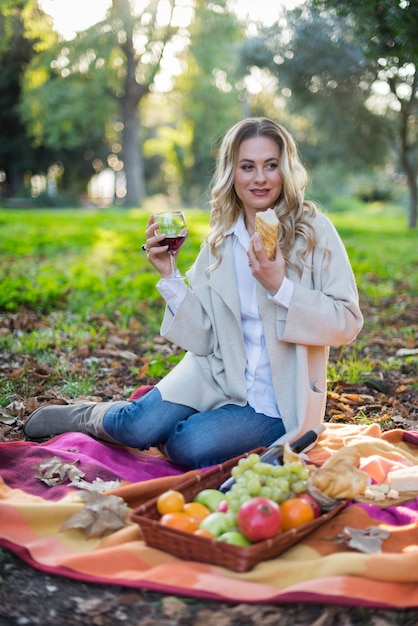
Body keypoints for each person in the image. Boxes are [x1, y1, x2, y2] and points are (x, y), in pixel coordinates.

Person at [24, 117, 363, 469]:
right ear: (232, 173)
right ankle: (86, 416)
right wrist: (169, 274)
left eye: (271, 166)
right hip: (215, 374)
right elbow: (202, 339)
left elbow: (348, 322)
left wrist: (281, 287)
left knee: (188, 445)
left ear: (286, 170)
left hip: (274, 402)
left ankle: (174, 421)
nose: (259, 178)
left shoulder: (315, 233)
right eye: (247, 167)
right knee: (136, 427)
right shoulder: (222, 241)